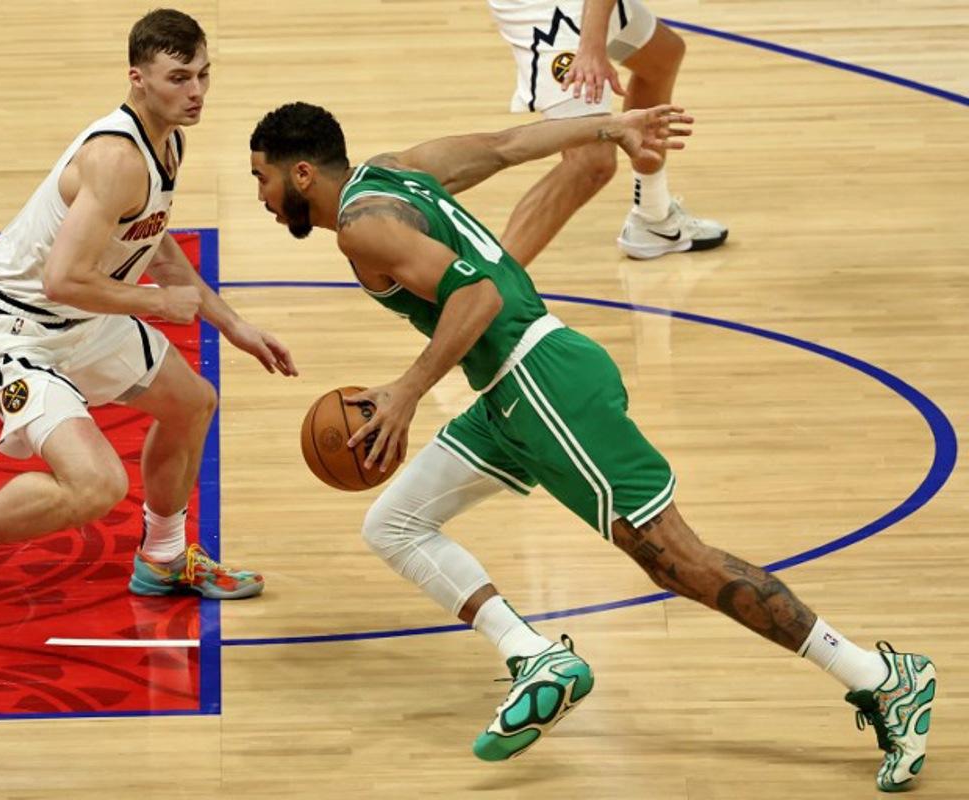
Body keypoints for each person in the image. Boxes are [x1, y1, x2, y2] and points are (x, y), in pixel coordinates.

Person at [247, 102, 934, 790]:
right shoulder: (396, 170)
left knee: (678, 561)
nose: (262, 197)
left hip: (542, 387)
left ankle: (882, 678)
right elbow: (507, 144)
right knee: (394, 523)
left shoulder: (362, 229)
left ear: (302, 174)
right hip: (511, 394)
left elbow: (478, 297)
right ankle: (535, 657)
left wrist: (407, 391)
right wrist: (611, 125)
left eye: (263, 179)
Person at [0, 9, 297, 646]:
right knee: (96, 485)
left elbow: (151, 240)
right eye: (179, 78)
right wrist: (156, 306)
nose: (196, 92)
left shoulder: (168, 141)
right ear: (137, 78)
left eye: (203, 75)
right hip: (12, 329)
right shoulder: (116, 158)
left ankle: (163, 558)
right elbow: (63, 279)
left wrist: (232, 324)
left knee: (192, 404)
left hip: (82, 318)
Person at [488, 0, 727, 262]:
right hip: (550, 11)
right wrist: (591, 48)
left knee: (661, 57)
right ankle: (489, 282)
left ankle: (653, 218)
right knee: (591, 163)